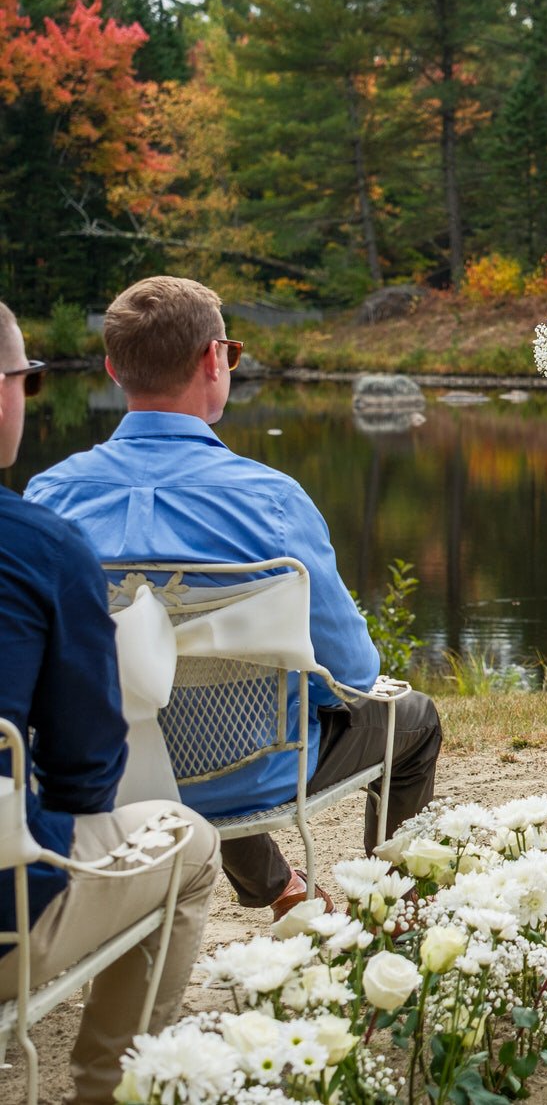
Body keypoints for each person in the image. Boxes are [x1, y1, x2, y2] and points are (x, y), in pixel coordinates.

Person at [27, 276, 441, 916]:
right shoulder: (271, 502)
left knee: (166, 710)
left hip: (111, 775)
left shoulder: (49, 499)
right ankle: (387, 912)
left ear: (112, 369)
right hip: (250, 774)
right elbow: (351, 675)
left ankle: (279, 887)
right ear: (213, 359)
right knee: (412, 721)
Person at [0, 298, 222, 1103]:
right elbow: (88, 773)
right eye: (25, 379)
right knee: (189, 847)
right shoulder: (37, 544)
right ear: (2, 393)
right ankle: (108, 1087)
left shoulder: (55, 494)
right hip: (5, 920)